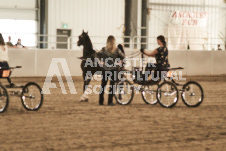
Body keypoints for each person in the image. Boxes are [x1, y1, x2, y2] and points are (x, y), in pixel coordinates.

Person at [98, 35, 125, 106]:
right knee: (112, 86)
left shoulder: (104, 49)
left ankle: (101, 101)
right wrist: (119, 62)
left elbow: (97, 54)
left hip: (105, 69)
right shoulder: (117, 50)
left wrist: (101, 61)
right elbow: (123, 57)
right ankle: (110, 102)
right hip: (113, 69)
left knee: (103, 85)